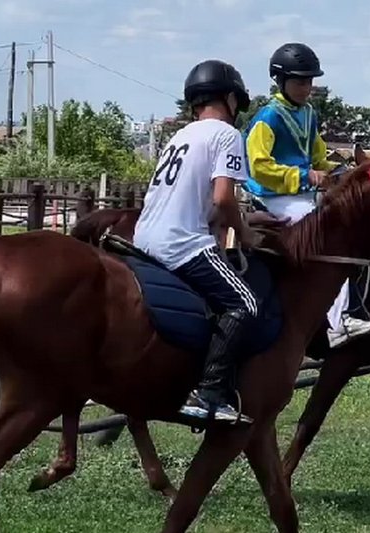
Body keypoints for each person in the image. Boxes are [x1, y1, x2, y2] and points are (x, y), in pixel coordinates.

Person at [133, 59, 260, 425]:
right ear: (229, 98)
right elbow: (223, 200)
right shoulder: (226, 134)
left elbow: (202, 199)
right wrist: (247, 234)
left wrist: (245, 218)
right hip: (182, 243)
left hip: (144, 237)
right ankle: (208, 395)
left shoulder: (182, 135)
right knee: (245, 303)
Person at [243, 42, 370, 349]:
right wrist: (305, 176)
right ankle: (337, 323)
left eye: (310, 81)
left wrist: (339, 173)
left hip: (301, 195)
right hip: (272, 196)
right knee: (327, 233)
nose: (307, 87)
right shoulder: (267, 118)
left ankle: (354, 307)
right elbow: (259, 166)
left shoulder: (308, 114)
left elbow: (318, 157)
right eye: (300, 81)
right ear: (280, 81)